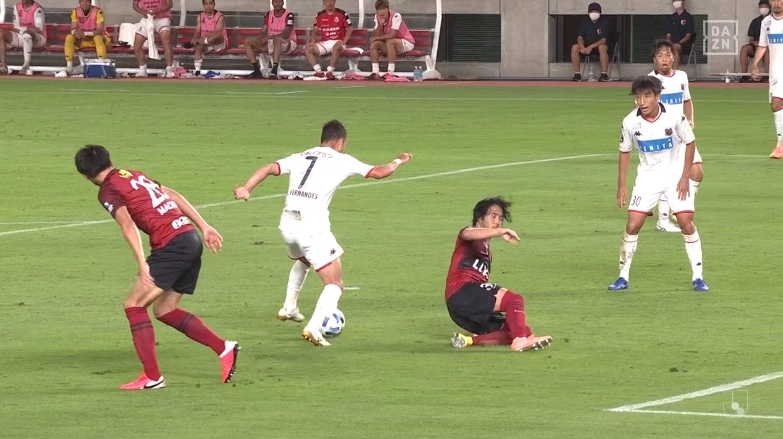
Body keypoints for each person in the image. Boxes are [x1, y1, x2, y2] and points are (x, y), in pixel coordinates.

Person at [74, 145, 240, 390]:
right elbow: (173, 195)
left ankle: (152, 377)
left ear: (85, 176)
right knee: (165, 309)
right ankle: (224, 348)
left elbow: (127, 225)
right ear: (110, 160)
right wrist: (204, 226)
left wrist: (142, 263)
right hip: (189, 238)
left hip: (172, 245)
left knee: (134, 305)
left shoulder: (108, 190)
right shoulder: (133, 175)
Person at [233, 120, 412, 346]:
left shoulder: (301, 156)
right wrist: (399, 160)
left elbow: (269, 168)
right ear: (340, 141)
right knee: (334, 284)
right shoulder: (342, 160)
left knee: (304, 259)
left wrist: (246, 188)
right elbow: (379, 172)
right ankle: (314, 327)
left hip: (287, 225)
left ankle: (289, 307)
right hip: (312, 228)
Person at [609, 76, 708, 293]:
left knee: (686, 222)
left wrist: (684, 177)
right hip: (648, 178)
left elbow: (690, 143)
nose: (642, 101)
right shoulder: (629, 122)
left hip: (675, 175)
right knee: (633, 225)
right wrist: (621, 186)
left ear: (657, 96)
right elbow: (624, 152)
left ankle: (698, 276)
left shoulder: (675, 116)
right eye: (638, 97)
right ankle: (623, 276)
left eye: (647, 96)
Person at [446, 197, 552, 352]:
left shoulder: (487, 252)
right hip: (461, 292)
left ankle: (468, 341)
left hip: (462, 311)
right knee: (514, 299)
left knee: (520, 328)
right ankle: (520, 341)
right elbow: (468, 234)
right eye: (493, 216)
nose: (497, 221)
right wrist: (499, 232)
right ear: (479, 217)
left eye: (500, 218)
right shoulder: (468, 233)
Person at [648, 39, 703, 233]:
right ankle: (663, 221)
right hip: (663, 137)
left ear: (673, 58)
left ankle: (679, 208)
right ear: (654, 59)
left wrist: (691, 118)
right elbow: (641, 108)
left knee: (697, 172)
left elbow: (687, 100)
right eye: (660, 55)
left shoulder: (682, 77)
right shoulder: (650, 81)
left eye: (668, 55)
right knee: (666, 177)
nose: (664, 59)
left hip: (682, 134)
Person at [752, 0, 783, 158]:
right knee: (776, 106)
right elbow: (763, 45)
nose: (776, 3)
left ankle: (780, 145)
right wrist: (755, 64)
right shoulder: (766, 22)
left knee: (777, 102)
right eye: (774, 0)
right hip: (775, 72)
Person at [243, 0, 297, 79]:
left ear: (282, 3)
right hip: (272, 42)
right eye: (275, 2)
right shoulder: (268, 14)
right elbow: (264, 29)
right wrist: (260, 38)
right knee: (248, 42)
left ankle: (274, 71)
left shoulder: (289, 15)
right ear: (272, 3)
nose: (277, 4)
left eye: (279, 2)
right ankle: (256, 71)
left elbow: (286, 34)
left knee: (277, 40)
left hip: (288, 42)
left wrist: (269, 37)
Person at [367, 0, 416, 80]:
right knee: (374, 44)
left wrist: (376, 38)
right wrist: (380, 25)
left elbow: (392, 35)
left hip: (405, 42)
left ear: (388, 9)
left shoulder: (396, 16)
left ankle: (390, 72)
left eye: (384, 9)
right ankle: (375, 72)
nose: (381, 12)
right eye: (379, 9)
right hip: (389, 44)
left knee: (390, 41)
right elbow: (376, 35)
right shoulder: (377, 17)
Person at [305, 0, 353, 80]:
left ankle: (329, 72)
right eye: (327, 1)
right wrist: (312, 41)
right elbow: (315, 29)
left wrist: (344, 42)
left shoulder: (342, 13)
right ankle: (318, 72)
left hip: (338, 42)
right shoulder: (320, 14)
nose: (329, 3)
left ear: (335, 1)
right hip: (325, 43)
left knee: (336, 47)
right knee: (308, 49)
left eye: (331, 1)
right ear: (324, 2)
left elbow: (350, 28)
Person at [0, 0, 47, 75]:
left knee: (27, 35)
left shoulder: (37, 9)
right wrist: (27, 29)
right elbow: (15, 27)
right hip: (22, 35)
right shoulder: (17, 7)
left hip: (38, 38)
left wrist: (25, 30)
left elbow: (39, 29)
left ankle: (26, 65)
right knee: (1, 34)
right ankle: (3, 66)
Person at [65, 0, 110, 75]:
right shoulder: (75, 11)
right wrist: (75, 32)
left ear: (90, 2)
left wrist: (85, 34)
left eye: (87, 1)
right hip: (83, 40)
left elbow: (99, 30)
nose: (85, 3)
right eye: (82, 1)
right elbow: (73, 27)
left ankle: (102, 65)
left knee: (98, 38)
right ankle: (69, 66)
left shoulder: (98, 11)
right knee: (69, 37)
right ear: (79, 2)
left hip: (98, 40)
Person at [132, 0, 174, 78]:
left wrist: (157, 11)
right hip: (147, 19)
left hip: (162, 18)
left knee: (166, 41)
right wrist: (143, 12)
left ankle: (169, 69)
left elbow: (169, 4)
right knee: (137, 45)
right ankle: (142, 69)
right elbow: (135, 5)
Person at [570, 2, 610, 82]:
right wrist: (582, 47)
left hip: (598, 47)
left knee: (602, 47)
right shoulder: (585, 22)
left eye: (596, 11)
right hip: (585, 47)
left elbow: (603, 39)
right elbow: (580, 37)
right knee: (575, 47)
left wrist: (591, 47)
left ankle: (604, 74)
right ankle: (577, 74)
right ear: (588, 13)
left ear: (600, 13)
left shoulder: (604, 23)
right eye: (592, 11)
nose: (594, 13)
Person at [189, 0, 227, 76]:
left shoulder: (220, 16)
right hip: (206, 43)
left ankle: (204, 41)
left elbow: (217, 32)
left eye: (210, 3)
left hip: (218, 42)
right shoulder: (200, 16)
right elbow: (197, 31)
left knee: (218, 35)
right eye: (206, 4)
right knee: (199, 47)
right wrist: (195, 38)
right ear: (203, 5)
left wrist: (203, 38)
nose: (208, 6)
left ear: (214, 4)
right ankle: (197, 72)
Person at [739, 0, 770, 82]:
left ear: (769, 7)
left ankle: (767, 76)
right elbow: (751, 40)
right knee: (744, 48)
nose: (763, 8)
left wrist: (764, 44)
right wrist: (756, 43)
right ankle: (744, 75)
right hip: (756, 46)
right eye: (761, 6)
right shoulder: (755, 21)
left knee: (766, 49)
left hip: (769, 47)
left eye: (765, 6)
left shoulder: (773, 20)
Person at [665, 0, 695, 69]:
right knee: (662, 49)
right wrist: (669, 43)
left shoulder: (688, 17)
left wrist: (678, 43)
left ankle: (674, 71)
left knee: (674, 47)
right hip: (672, 44)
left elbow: (688, 36)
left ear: (683, 2)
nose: (676, 2)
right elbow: (668, 35)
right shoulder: (671, 18)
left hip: (684, 44)